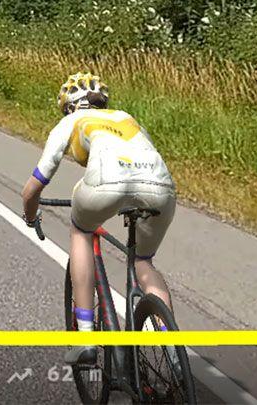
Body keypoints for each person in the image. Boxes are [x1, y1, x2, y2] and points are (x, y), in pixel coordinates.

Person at [20, 72, 177, 368]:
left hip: (105, 184)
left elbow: (35, 185)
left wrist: (30, 214)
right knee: (144, 262)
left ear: (69, 106)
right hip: (161, 187)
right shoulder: (127, 118)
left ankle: (85, 338)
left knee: (81, 232)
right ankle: (171, 350)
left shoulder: (69, 122)